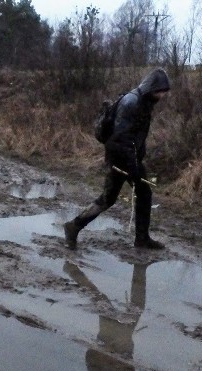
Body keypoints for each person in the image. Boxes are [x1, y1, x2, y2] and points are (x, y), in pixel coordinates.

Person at [64, 68, 171, 250]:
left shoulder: (143, 101)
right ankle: (74, 226)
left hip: (127, 157)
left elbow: (134, 136)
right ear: (152, 88)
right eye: (160, 91)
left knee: (126, 196)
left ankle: (141, 239)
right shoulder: (133, 103)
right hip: (121, 158)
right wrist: (133, 167)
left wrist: (137, 157)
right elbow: (121, 139)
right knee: (124, 196)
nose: (162, 95)